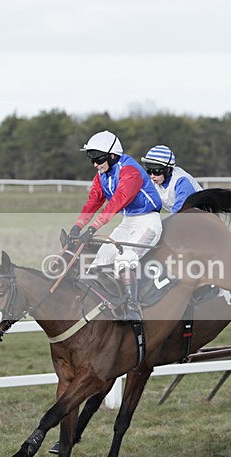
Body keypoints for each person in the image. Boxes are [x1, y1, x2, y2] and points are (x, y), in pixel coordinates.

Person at [68, 130, 163, 322]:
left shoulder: (130, 171)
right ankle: (102, 305)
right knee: (100, 260)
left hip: (148, 222)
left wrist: (93, 229)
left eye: (98, 158)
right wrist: (77, 227)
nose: (95, 164)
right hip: (128, 222)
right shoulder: (101, 174)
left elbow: (117, 201)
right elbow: (93, 201)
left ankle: (132, 307)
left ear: (112, 156)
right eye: (91, 159)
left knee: (125, 259)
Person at [140, 145, 202, 213]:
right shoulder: (154, 182)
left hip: (203, 215)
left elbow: (180, 210)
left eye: (156, 171)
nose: (152, 176)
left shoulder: (182, 181)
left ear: (168, 170)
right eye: (149, 171)